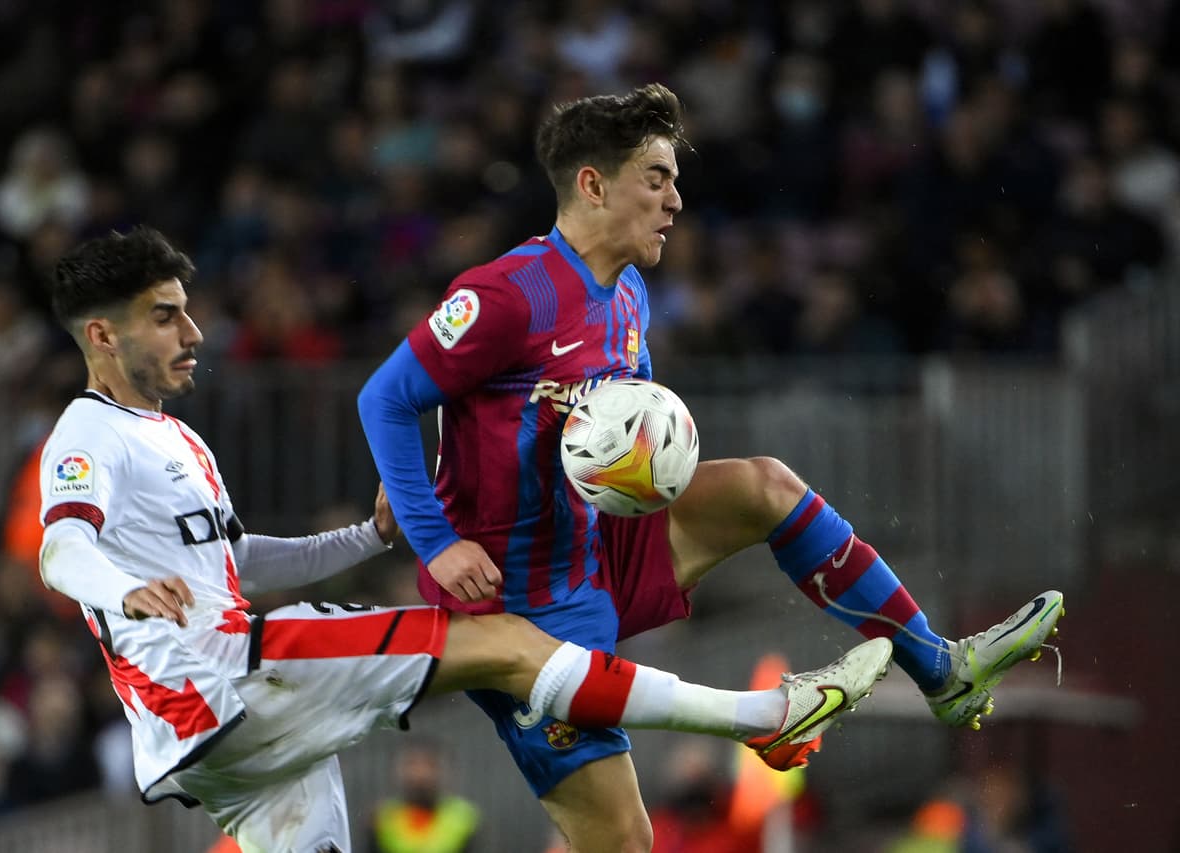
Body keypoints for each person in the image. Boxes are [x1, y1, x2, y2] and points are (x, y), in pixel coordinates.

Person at [357, 82, 1065, 852]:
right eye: (656, 178)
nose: (676, 201)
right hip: (511, 611)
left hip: (597, 550)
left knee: (763, 484)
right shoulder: (504, 293)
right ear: (592, 184)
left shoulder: (628, 294)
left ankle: (942, 670)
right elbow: (385, 398)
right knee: (626, 841)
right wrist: (433, 534)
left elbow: (592, 426)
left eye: (675, 181)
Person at [37, 225, 896, 853]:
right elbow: (61, 550)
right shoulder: (87, 436)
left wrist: (370, 535)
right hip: (222, 680)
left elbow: (234, 566)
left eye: (186, 312)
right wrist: (119, 587)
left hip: (214, 742)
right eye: (164, 316)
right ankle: (768, 717)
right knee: (507, 642)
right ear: (102, 335)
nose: (192, 333)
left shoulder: (178, 439)